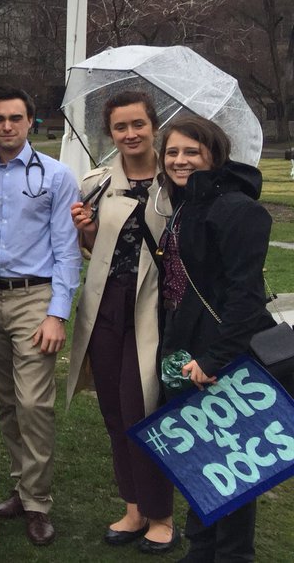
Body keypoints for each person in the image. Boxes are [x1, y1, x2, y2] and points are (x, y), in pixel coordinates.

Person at [156, 116, 274, 561]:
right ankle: (201, 547)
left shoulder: (237, 209)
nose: (180, 160)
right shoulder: (187, 204)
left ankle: (231, 554)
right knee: (202, 458)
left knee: (234, 465)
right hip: (186, 348)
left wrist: (215, 358)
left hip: (222, 354)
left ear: (214, 154)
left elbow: (247, 298)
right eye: (172, 152)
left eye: (191, 151)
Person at [68, 91, 175, 551]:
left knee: (144, 409)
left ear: (153, 126)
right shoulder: (95, 183)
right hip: (106, 305)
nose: (130, 134)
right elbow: (91, 251)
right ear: (110, 133)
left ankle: (162, 516)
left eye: (138, 125)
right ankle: (133, 509)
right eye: (120, 127)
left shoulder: (177, 182)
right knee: (114, 412)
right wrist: (86, 230)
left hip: (154, 311)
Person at [0, 87, 81, 546]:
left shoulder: (55, 177)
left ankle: (37, 501)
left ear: (31, 121)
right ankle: (21, 486)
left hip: (34, 299)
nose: (7, 126)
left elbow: (67, 250)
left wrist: (58, 313)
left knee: (34, 402)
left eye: (16, 118)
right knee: (6, 402)